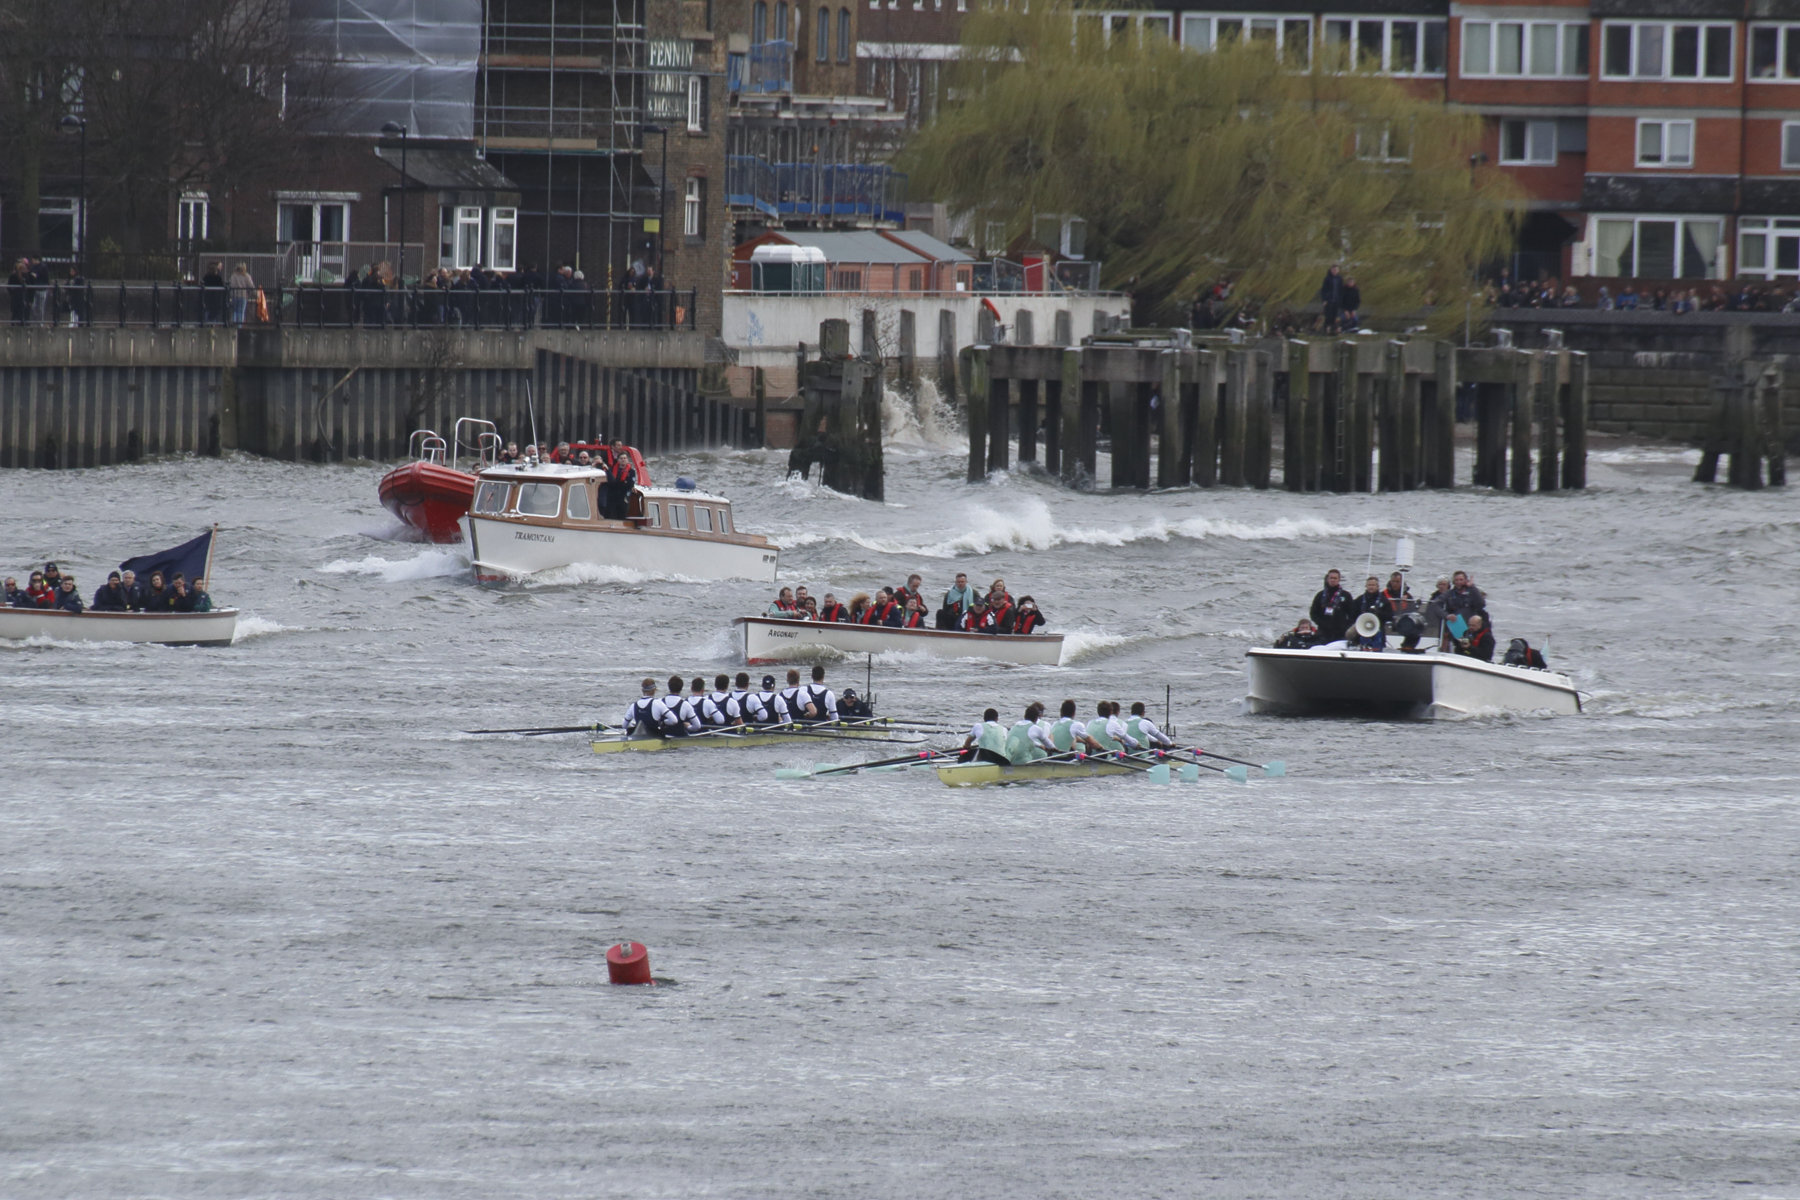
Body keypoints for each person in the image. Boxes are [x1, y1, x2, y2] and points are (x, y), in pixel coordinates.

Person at [1309, 569, 1354, 643]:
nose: (1333, 580)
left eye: (1335, 578)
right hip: (1323, 631)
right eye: (1331, 578)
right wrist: (1321, 623)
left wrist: (1346, 626)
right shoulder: (1320, 595)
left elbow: (1352, 614)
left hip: (1340, 632)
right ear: (1327, 579)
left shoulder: (1346, 595)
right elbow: (1313, 613)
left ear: (1339, 580)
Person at [1348, 575, 1393, 649]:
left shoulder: (1384, 600)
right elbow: (1353, 614)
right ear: (1366, 586)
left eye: (1373, 585)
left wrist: (1378, 613)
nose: (1371, 587)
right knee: (1349, 634)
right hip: (1362, 628)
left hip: (1378, 628)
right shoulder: (1359, 600)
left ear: (1377, 586)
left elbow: (1390, 615)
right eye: (1369, 585)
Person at [228, 262, 256, 326]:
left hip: (234, 295)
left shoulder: (233, 276)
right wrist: (256, 294)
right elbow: (251, 286)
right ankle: (239, 326)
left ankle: (233, 325)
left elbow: (230, 285)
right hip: (243, 296)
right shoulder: (246, 276)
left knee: (234, 311)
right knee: (241, 312)